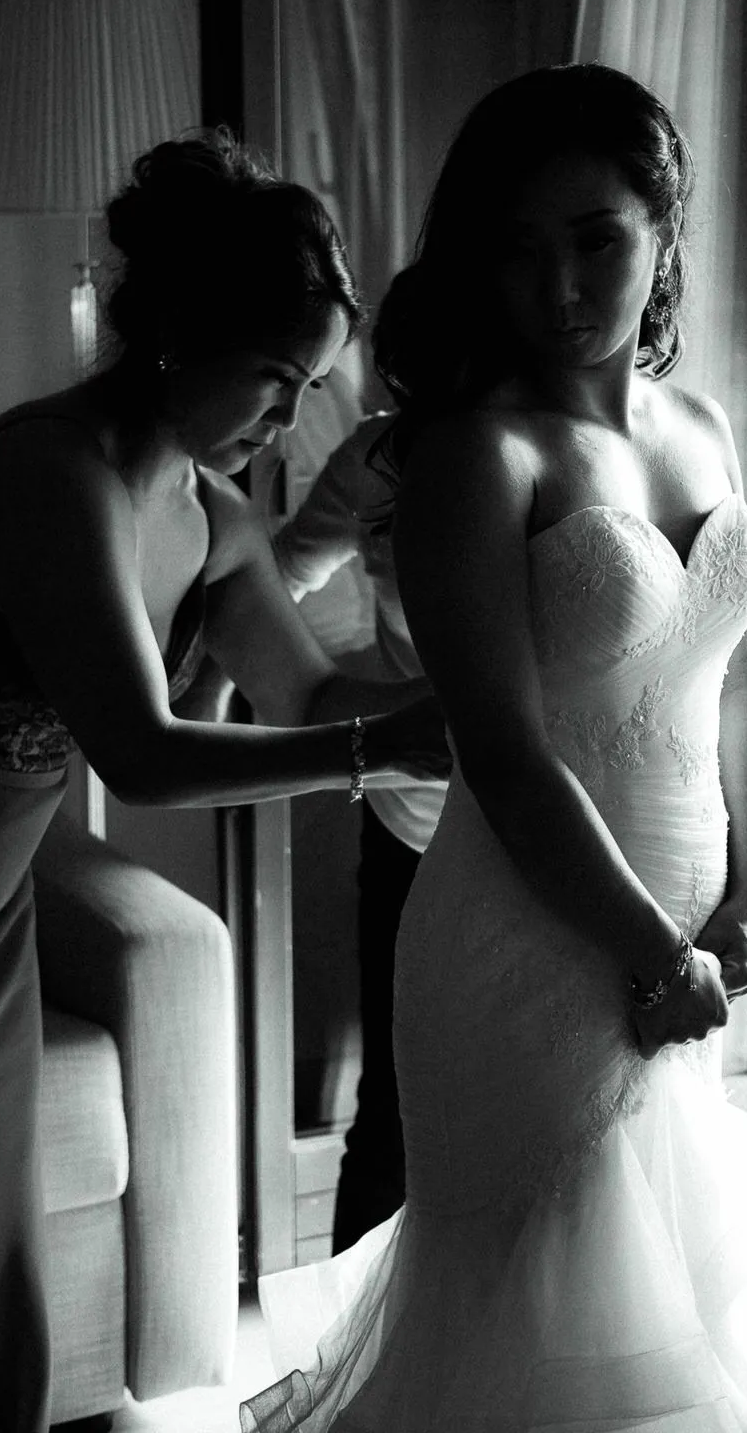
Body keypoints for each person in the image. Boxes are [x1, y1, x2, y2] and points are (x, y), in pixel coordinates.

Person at [241, 65, 747, 1433]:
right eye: (518, 248)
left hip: (685, 948)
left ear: (662, 229)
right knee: (533, 1335)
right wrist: (649, 951)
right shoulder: (472, 458)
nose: (557, 285)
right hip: (528, 949)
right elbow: (501, 751)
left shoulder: (700, 426)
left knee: (676, 1324)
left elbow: (739, 686)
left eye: (594, 237)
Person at [0, 129, 449, 1433]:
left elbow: (310, 697)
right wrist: (377, 749)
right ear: (176, 328)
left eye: (311, 388)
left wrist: (466, 698)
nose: (289, 425)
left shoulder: (214, 516)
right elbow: (148, 753)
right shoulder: (47, 478)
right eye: (275, 381)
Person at [274, 409, 447, 1251]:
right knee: (393, 1109)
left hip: (568, 827)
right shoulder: (375, 459)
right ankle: (349, 1369)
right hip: (410, 822)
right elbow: (275, 580)